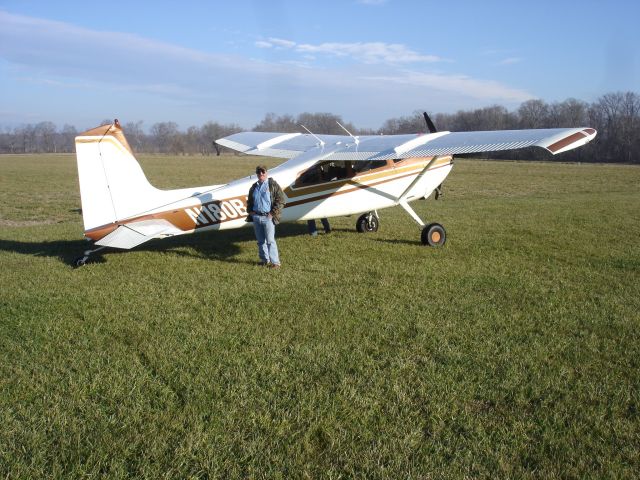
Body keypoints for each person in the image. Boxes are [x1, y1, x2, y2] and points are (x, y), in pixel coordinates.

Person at [246, 165, 285, 268]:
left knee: (270, 241)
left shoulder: (272, 185)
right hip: (257, 217)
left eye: (263, 172)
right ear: (257, 174)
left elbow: (281, 200)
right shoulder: (254, 186)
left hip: (268, 217)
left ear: (266, 173)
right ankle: (264, 260)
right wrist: (250, 211)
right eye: (259, 172)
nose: (261, 174)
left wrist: (272, 213)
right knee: (260, 241)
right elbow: (249, 201)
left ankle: (275, 263)